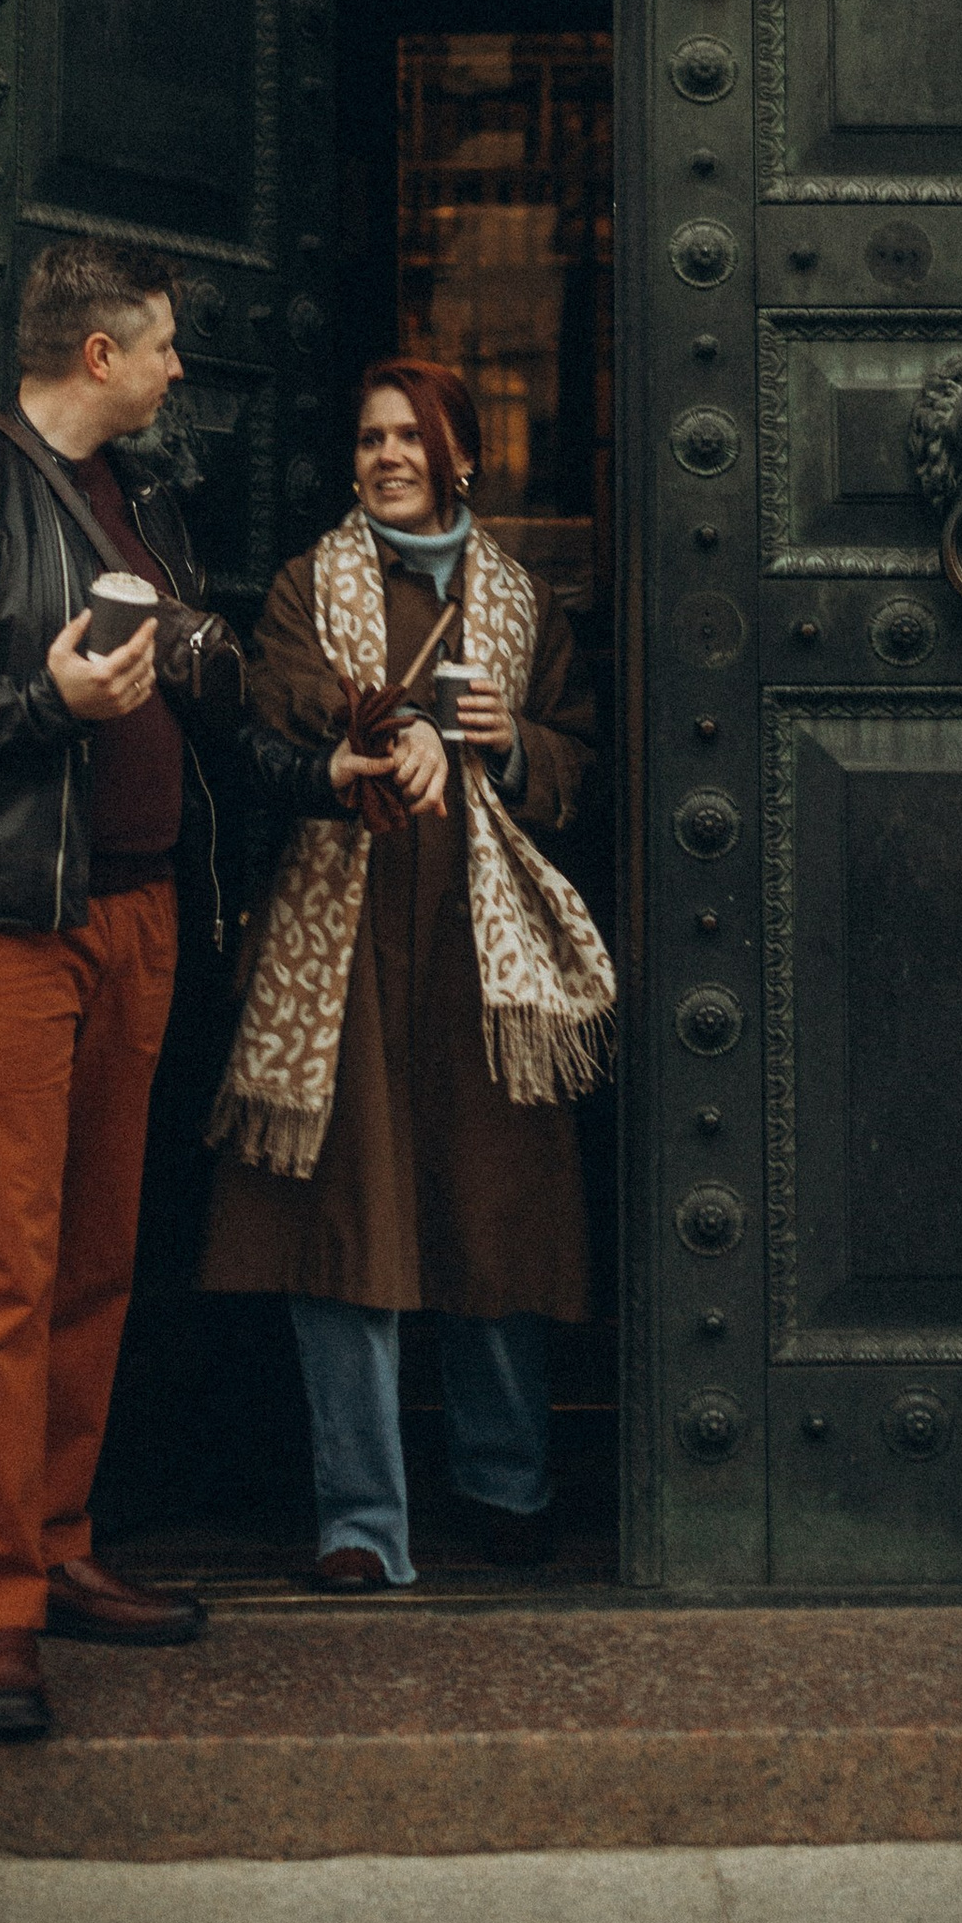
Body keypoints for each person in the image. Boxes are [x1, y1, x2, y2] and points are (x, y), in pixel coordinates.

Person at [0, 233, 357, 1740]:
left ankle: (58, 1549)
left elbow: (214, 717)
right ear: (99, 356)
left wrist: (330, 773)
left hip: (134, 921)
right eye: (166, 345)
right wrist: (35, 704)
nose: (186, 367)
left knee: (95, 1263)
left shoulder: (154, 507)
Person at [198, 357, 616, 1587]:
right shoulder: (302, 586)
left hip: (482, 960)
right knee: (344, 1232)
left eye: (410, 438)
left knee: (494, 1217)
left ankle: (510, 1483)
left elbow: (582, 763)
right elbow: (276, 705)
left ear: (458, 458)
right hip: (341, 946)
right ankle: (360, 1528)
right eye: (370, 436)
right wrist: (397, 728)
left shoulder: (524, 600)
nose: (386, 455)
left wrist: (512, 743)